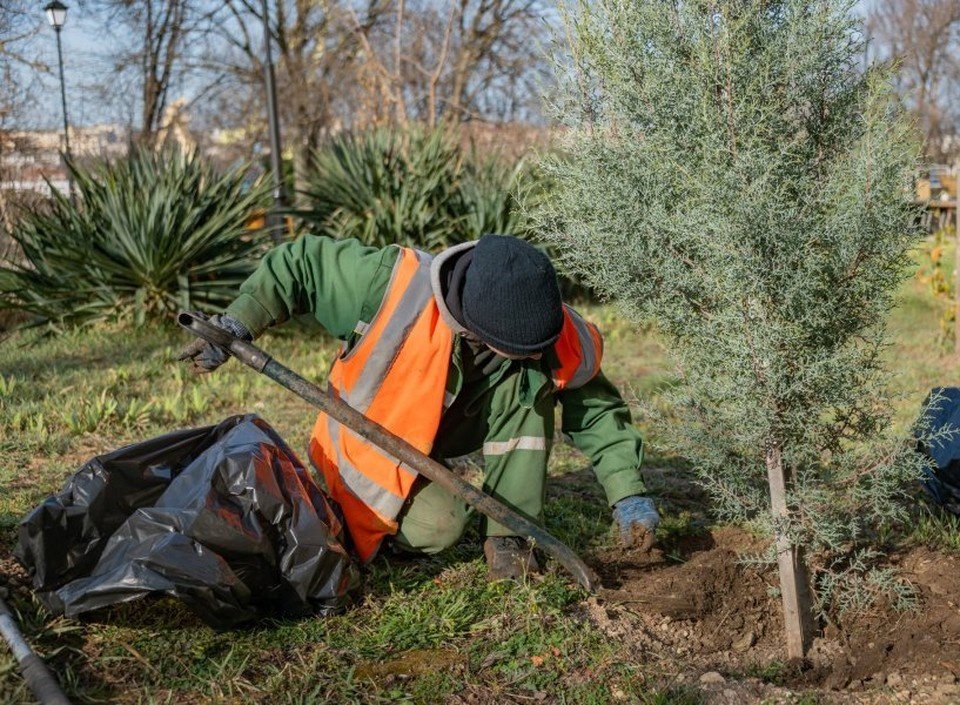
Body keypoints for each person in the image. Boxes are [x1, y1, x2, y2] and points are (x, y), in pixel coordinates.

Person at [178, 233, 659, 580]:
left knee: (528, 388)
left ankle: (510, 533)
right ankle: (348, 503)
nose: (538, 354)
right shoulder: (393, 286)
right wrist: (240, 322)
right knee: (442, 526)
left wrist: (627, 492)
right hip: (374, 448)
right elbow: (300, 262)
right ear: (476, 328)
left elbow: (596, 411)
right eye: (521, 347)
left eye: (540, 344)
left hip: (445, 432)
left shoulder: (546, 331)